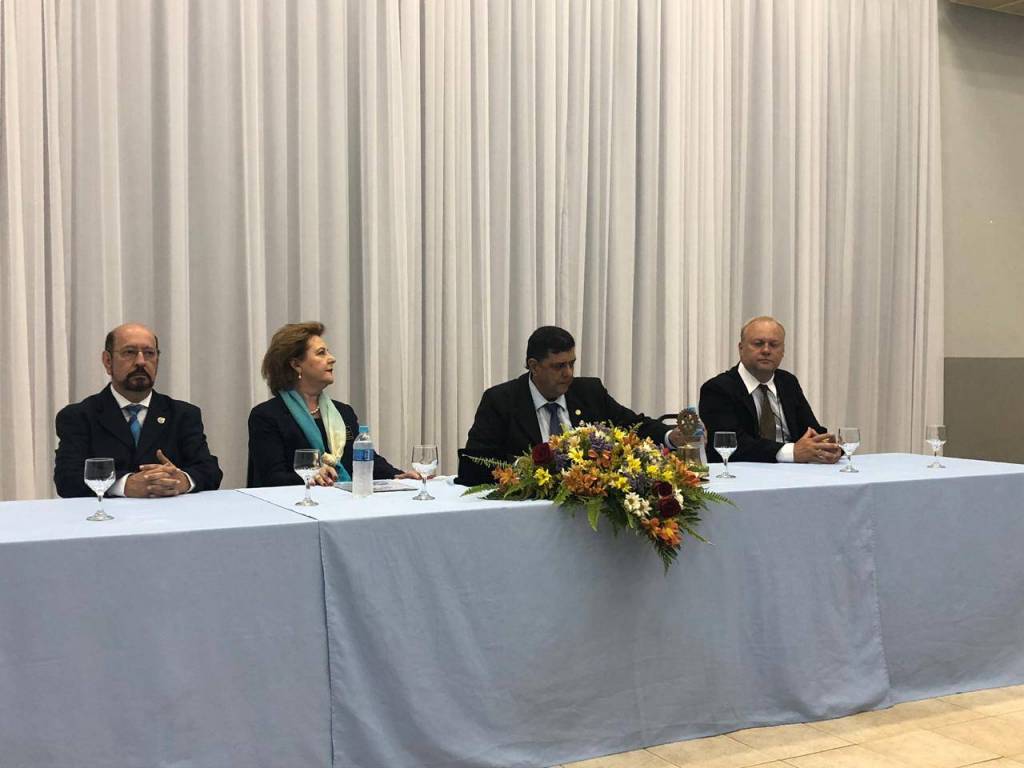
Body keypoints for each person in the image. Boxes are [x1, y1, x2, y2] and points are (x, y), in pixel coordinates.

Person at [456, 325, 687, 486]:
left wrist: (671, 436)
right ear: (534, 366)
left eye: (571, 364)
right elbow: (476, 463)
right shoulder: (501, 401)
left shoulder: (589, 392)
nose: (568, 373)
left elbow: (632, 424)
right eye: (559, 366)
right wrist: (525, 469)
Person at [53, 323, 223, 498]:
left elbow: (209, 470)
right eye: (129, 352)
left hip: (169, 513)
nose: (141, 361)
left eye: (149, 353)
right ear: (108, 361)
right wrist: (124, 484)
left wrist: (181, 480)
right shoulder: (79, 416)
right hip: (105, 514)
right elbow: (67, 479)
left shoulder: (183, 414)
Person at [247, 322, 413, 487]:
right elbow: (272, 477)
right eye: (321, 353)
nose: (332, 358)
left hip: (344, 500)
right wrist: (312, 475)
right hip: (294, 502)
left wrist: (398, 476)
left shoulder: (344, 412)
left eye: (328, 352)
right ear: (296, 364)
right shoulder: (266, 416)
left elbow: (366, 460)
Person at [699, 316, 841, 464]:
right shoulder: (718, 389)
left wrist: (830, 447)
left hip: (795, 472)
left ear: (783, 351)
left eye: (774, 345)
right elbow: (730, 443)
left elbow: (811, 430)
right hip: (743, 473)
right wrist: (791, 452)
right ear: (741, 348)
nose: (766, 350)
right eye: (758, 343)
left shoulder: (788, 382)